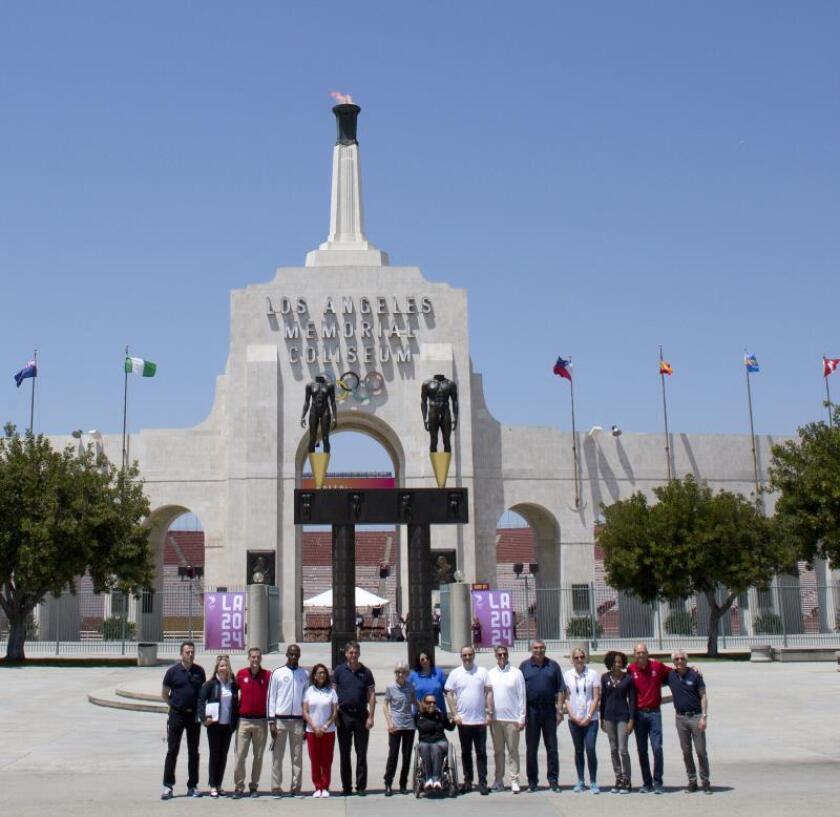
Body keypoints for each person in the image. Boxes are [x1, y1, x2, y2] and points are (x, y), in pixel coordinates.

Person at [161, 640, 206, 800]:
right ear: (181, 653)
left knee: (194, 752)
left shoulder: (199, 671)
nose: (190, 654)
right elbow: (165, 693)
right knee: (172, 750)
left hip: (193, 716)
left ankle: (192, 785)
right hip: (177, 715)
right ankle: (167, 785)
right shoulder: (172, 672)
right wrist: (173, 706)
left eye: (192, 651)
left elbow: (202, 695)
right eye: (187, 652)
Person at [626, 642, 673, 794]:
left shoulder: (657, 666)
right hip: (639, 714)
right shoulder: (631, 669)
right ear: (634, 655)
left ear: (647, 653)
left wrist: (693, 669)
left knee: (657, 747)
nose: (640, 655)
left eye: (643, 652)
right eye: (638, 652)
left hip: (654, 713)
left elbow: (674, 673)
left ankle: (658, 781)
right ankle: (647, 783)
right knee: (642, 750)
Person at [444, 644, 492, 795]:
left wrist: (489, 713)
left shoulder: (482, 672)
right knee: (465, 753)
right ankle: (468, 781)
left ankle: (483, 782)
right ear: (461, 657)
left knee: (481, 753)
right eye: (464, 655)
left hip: (480, 721)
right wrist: (454, 714)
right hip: (463, 721)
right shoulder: (455, 673)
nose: (467, 657)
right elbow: (449, 693)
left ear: (474, 655)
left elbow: (489, 692)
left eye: (470, 654)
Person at [519, 639, 565, 792]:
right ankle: (532, 781)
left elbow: (561, 690)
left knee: (552, 747)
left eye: (541, 648)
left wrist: (559, 710)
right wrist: (521, 713)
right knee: (531, 748)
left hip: (549, 711)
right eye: (536, 648)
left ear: (545, 649)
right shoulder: (524, 666)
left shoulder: (553, 666)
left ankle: (553, 779)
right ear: (531, 649)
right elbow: (519, 692)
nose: (538, 650)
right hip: (531, 711)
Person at [332, 641, 376, 796]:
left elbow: (371, 695)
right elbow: (333, 695)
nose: (353, 655)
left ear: (359, 654)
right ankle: (346, 787)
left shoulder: (366, 672)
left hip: (360, 715)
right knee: (345, 753)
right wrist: (334, 715)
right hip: (343, 715)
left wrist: (371, 716)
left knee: (361, 753)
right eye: (350, 652)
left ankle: (361, 786)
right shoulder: (339, 671)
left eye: (355, 652)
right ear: (346, 654)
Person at [267, 643, 309, 797]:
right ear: (286, 655)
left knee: (297, 756)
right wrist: (271, 721)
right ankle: (276, 787)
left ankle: (296, 787)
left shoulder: (303, 674)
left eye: (296, 654)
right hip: (280, 721)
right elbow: (271, 698)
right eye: (291, 654)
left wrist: (305, 722)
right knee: (277, 756)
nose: (293, 657)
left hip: (297, 721)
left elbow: (306, 698)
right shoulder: (277, 673)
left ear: (299, 656)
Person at [666, 649, 711, 794]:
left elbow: (703, 696)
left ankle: (705, 781)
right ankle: (692, 781)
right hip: (680, 718)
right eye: (677, 659)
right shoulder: (671, 676)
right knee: (686, 752)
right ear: (673, 662)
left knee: (700, 751)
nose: (680, 661)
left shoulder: (695, 675)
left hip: (696, 716)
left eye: (682, 659)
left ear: (686, 660)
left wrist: (704, 716)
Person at [198, 654, 240, 798]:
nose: (224, 668)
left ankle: (220, 784)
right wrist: (204, 718)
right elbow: (201, 702)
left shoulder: (233, 685)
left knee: (223, 756)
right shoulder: (210, 684)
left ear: (229, 668)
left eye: (226, 665)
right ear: (217, 667)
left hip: (227, 726)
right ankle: (213, 785)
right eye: (221, 666)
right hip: (214, 726)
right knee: (214, 755)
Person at [232, 647, 271, 799]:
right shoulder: (241, 674)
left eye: (258, 657)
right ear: (249, 658)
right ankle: (239, 786)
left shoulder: (268, 675)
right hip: (243, 721)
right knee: (240, 755)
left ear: (261, 658)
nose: (255, 659)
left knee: (258, 756)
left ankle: (254, 786)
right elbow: (233, 693)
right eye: (253, 657)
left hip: (261, 721)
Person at [487, 645, 526, 793]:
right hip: (496, 719)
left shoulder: (516, 673)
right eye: (499, 655)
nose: (502, 657)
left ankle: (515, 779)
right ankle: (498, 779)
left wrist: (521, 717)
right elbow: (487, 695)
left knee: (513, 751)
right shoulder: (490, 674)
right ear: (495, 656)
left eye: (504, 654)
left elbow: (522, 696)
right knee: (498, 751)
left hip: (512, 719)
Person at [563, 647, 602, 794]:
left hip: (590, 719)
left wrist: (588, 716)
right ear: (572, 660)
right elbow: (566, 697)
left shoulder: (593, 674)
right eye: (576, 657)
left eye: (582, 657)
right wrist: (572, 715)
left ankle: (593, 781)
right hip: (574, 718)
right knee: (578, 750)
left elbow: (596, 696)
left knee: (590, 748)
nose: (579, 660)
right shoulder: (567, 675)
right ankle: (580, 780)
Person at [599, 650, 635, 794]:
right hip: (609, 717)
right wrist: (601, 719)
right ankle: (618, 777)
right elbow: (603, 700)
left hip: (623, 717)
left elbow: (632, 701)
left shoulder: (628, 679)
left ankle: (627, 779)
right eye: (614, 662)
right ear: (610, 663)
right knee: (613, 749)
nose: (617, 664)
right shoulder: (604, 678)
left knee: (623, 749)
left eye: (619, 662)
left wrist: (632, 720)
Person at [303, 663, 339, 798]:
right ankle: (317, 786)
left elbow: (335, 712)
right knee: (315, 760)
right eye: (319, 673)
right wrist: (314, 726)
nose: (322, 675)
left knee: (327, 759)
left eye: (324, 673)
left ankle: (325, 786)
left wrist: (324, 727)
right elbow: (305, 711)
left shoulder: (331, 691)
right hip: (312, 731)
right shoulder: (309, 691)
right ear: (314, 676)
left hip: (328, 731)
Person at [383, 661, 417, 796]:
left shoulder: (411, 687)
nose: (400, 674)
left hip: (409, 724)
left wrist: (426, 708)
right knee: (393, 755)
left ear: (407, 674)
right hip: (395, 725)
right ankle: (388, 782)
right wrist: (389, 721)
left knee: (407, 756)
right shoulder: (390, 687)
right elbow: (385, 704)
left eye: (403, 672)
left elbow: (414, 701)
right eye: (398, 672)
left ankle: (403, 783)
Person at [415, 693, 455, 790]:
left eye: (434, 702)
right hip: (425, 742)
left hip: (440, 741)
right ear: (424, 703)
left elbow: (449, 727)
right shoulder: (419, 715)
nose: (432, 704)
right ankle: (428, 778)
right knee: (425, 747)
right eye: (429, 702)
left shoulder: (440, 714)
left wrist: (454, 720)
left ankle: (436, 779)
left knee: (435, 747)